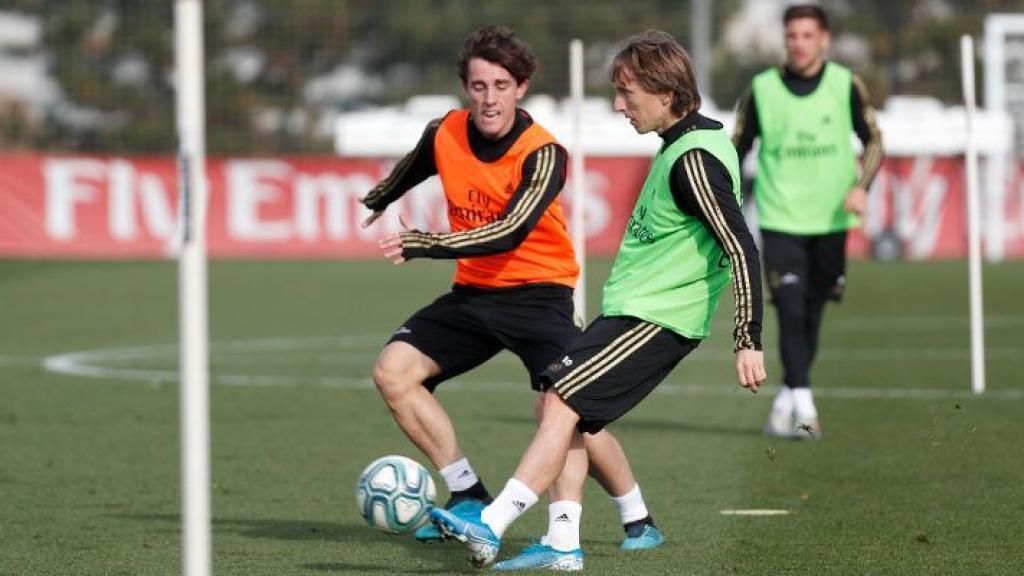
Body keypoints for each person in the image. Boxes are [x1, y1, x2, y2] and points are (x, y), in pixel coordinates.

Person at [431, 29, 766, 569]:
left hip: (658, 319)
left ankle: (490, 524)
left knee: (561, 400)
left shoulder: (694, 160)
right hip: (634, 314)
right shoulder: (680, 147)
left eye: (627, 93)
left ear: (665, 91)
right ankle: (564, 546)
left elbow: (740, 245)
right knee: (559, 404)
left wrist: (747, 338)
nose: (619, 105)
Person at [359, 25, 664, 563]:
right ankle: (469, 494)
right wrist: (378, 198)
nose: (489, 98)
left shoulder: (545, 152)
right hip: (474, 294)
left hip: (539, 294)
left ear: (521, 87)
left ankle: (634, 514)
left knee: (566, 407)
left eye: (501, 85)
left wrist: (424, 243)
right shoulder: (445, 131)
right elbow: (413, 165)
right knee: (393, 372)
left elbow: (509, 230)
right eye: (478, 86)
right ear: (466, 88)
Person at [732, 4, 884, 439]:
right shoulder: (761, 89)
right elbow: (737, 147)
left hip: (832, 220)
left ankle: (786, 398)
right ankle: (805, 409)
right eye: (792, 36)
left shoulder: (845, 84)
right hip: (780, 218)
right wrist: (727, 203)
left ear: (824, 40)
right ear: (785, 40)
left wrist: (862, 185)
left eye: (807, 35)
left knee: (812, 313)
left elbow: (873, 139)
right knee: (792, 308)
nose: (799, 43)